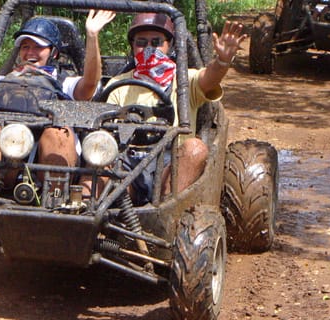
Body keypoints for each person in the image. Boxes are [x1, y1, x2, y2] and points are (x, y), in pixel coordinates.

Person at [0, 0, 115, 189]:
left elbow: (90, 83)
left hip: (56, 165)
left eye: (38, 47)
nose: (30, 52)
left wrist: (92, 35)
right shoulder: (4, 81)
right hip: (10, 154)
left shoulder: (64, 83)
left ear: (54, 53)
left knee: (56, 134)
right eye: (25, 47)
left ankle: (55, 197)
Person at [102, 12, 247, 202]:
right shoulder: (118, 84)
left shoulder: (185, 80)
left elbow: (210, 78)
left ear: (169, 46)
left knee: (195, 148)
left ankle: (167, 216)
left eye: (156, 42)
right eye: (141, 42)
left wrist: (223, 61)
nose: (149, 48)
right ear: (132, 47)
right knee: (96, 164)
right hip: (127, 164)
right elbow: (104, 130)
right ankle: (84, 220)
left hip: (172, 163)